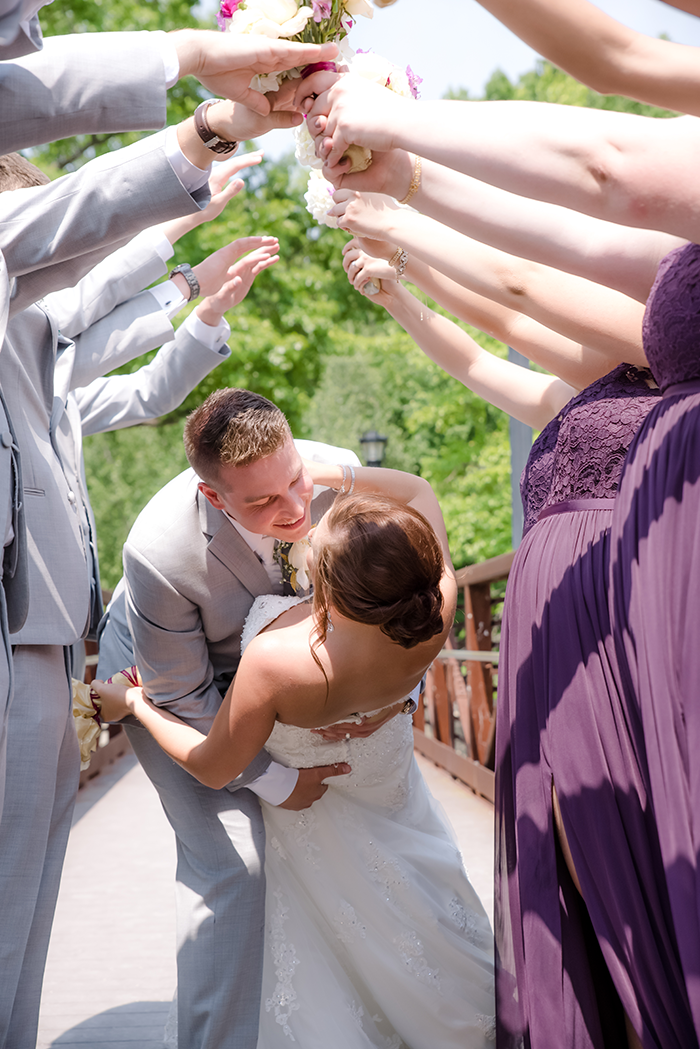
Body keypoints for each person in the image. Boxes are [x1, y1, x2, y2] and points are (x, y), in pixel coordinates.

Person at [338, 234, 695, 1048]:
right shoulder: (590, 389)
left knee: (612, 850)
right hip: (551, 637)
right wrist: (397, 294)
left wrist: (408, 239)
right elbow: (480, 360)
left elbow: (515, 295)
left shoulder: (643, 335)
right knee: (565, 850)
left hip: (606, 621)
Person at [0, 148, 283, 1047]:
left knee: (32, 880)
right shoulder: (26, 335)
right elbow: (85, 302)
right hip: (21, 633)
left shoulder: (48, 375)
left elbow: (148, 384)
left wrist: (201, 308)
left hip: (54, 640)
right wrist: (183, 223)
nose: (66, 253)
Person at [94, 464, 496, 1049]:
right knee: (411, 890)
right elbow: (418, 490)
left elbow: (213, 765)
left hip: (307, 807)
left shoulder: (282, 662)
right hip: (386, 782)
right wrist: (316, 471)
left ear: (327, 590)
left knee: (329, 925)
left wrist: (136, 703)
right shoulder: (436, 600)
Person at [96, 388, 366, 1049]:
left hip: (271, 674)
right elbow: (183, 698)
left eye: (296, 480)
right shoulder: (159, 551)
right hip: (164, 682)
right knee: (236, 866)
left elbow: (378, 602)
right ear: (215, 498)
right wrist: (274, 778)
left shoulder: (340, 476)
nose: (297, 508)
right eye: (264, 502)